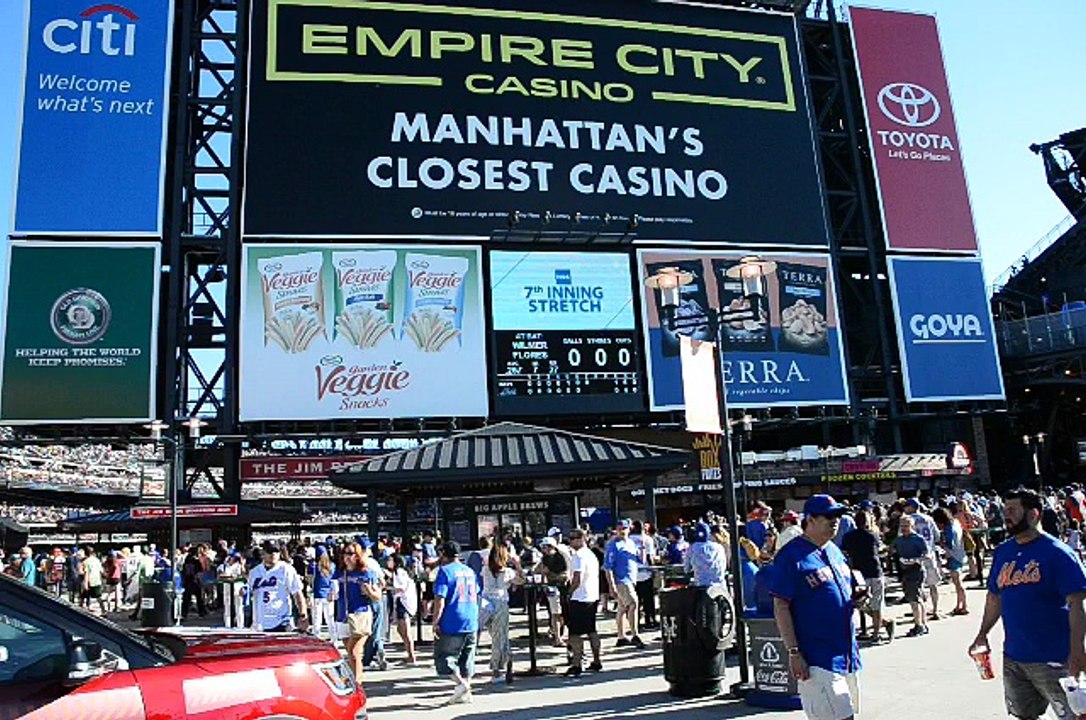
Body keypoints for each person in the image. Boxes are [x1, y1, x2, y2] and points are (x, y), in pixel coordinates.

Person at [971, 488, 1086, 720]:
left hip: (1054, 658)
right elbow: (994, 597)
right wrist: (982, 634)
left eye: (1013, 510)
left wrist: (1077, 651)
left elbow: (1077, 603)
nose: (1007, 515)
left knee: (1073, 715)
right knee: (1023, 715)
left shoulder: (1058, 553)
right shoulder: (1003, 552)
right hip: (1015, 656)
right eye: (1005, 510)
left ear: (1034, 514)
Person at [771, 495, 862, 720]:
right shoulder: (791, 556)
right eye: (828, 516)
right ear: (810, 520)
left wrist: (858, 599)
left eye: (838, 515)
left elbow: (845, 592)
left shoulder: (834, 551)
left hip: (846, 653)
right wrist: (793, 652)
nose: (835, 520)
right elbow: (781, 605)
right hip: (817, 656)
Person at [432, 541, 480, 705]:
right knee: (467, 658)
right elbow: (477, 592)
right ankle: (466, 691)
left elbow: (440, 599)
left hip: (453, 618)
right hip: (471, 617)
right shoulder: (469, 571)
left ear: (443, 554)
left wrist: (435, 621)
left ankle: (461, 684)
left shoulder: (444, 571)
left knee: (445, 657)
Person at [841, 510, 894, 644]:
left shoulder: (848, 537)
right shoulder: (872, 536)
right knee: (877, 604)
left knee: (859, 603)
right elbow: (880, 549)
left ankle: (881, 625)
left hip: (858, 574)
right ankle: (877, 633)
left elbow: (844, 552)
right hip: (875, 571)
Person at [333, 542, 380, 685]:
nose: (347, 556)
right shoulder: (339, 572)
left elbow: (377, 596)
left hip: (360, 614)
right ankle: (353, 680)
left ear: (358, 555)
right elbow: (332, 591)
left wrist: (369, 591)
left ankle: (357, 684)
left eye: (350, 553)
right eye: (345, 553)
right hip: (342, 615)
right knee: (350, 653)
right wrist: (330, 594)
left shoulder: (366, 573)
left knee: (354, 651)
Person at [248, 540, 309, 633]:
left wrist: (303, 615)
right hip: (260, 623)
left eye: (276, 551)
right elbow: (249, 590)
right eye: (269, 551)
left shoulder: (286, 569)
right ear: (263, 553)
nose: (273, 554)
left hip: (282, 622)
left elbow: (297, 593)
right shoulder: (255, 572)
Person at [566, 528, 602, 677]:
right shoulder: (591, 554)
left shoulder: (578, 555)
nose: (570, 541)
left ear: (581, 539)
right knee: (591, 630)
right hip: (592, 595)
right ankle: (596, 660)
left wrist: (569, 592)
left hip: (580, 597)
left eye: (573, 538)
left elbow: (577, 578)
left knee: (575, 633)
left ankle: (576, 664)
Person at [480, 540, 518, 684]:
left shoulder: (485, 570)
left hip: (485, 602)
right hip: (500, 602)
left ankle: (505, 661)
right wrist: (517, 564)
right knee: (500, 637)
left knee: (494, 635)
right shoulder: (508, 572)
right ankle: (499, 668)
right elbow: (521, 580)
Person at [604, 520, 644, 649]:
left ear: (629, 529)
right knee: (633, 604)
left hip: (631, 579)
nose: (622, 531)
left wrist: (643, 548)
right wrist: (611, 585)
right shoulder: (613, 545)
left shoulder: (631, 543)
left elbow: (639, 559)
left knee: (622, 608)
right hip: (621, 580)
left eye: (624, 528)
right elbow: (608, 567)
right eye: (620, 528)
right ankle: (635, 635)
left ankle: (621, 636)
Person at [903, 498, 942, 620]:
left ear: (912, 507)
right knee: (933, 585)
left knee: (918, 587)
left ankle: (920, 614)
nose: (905, 508)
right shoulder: (928, 518)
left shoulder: (907, 520)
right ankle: (935, 610)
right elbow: (937, 536)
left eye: (907, 506)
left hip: (915, 557)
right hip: (930, 554)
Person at [893, 516, 930, 638]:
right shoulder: (899, 539)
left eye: (906, 526)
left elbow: (927, 554)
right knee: (915, 598)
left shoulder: (918, 539)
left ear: (912, 526)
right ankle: (923, 623)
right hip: (905, 571)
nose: (904, 528)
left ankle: (919, 625)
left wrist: (916, 559)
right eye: (902, 526)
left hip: (916, 570)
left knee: (915, 599)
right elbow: (893, 549)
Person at [932, 507, 969, 616]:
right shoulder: (956, 523)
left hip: (953, 556)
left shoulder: (949, 529)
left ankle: (962, 606)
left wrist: (941, 543)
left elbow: (950, 545)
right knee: (958, 583)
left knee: (958, 583)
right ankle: (961, 605)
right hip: (961, 554)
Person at [535, 536, 572, 646]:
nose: (544, 550)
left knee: (564, 614)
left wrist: (550, 574)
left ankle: (559, 634)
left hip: (563, 588)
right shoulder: (545, 558)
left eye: (545, 547)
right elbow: (539, 571)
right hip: (552, 588)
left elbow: (566, 575)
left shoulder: (561, 557)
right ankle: (557, 637)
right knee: (555, 613)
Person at [389, 553, 418, 664]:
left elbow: (401, 588)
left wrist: (388, 587)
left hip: (403, 603)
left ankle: (411, 656)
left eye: (390, 560)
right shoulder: (403, 572)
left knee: (405, 631)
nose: (388, 562)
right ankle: (409, 653)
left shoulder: (399, 572)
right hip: (405, 602)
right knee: (400, 629)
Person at [685, 522, 728, 590]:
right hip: (721, 587)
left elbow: (686, 569)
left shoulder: (692, 548)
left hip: (701, 588)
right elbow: (724, 565)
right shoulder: (719, 547)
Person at [310, 545, 337, 642]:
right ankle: (334, 638)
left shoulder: (313, 566)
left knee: (317, 618)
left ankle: (316, 638)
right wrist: (333, 592)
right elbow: (334, 581)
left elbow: (310, 580)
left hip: (317, 594)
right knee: (330, 618)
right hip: (329, 594)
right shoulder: (332, 565)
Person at [218, 552, 247, 629]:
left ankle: (240, 625)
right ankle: (227, 625)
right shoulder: (223, 566)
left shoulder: (239, 566)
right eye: (234, 558)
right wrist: (231, 577)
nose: (235, 560)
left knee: (239, 607)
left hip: (238, 588)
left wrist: (242, 565)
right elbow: (220, 576)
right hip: (227, 588)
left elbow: (244, 576)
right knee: (227, 607)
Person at [181, 547, 207, 619]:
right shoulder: (196, 561)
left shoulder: (186, 560)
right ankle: (201, 613)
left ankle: (184, 613)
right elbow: (201, 570)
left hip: (188, 581)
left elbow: (184, 571)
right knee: (200, 598)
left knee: (186, 598)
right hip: (196, 580)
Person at [81, 546, 108, 615]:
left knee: (83, 597)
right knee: (98, 597)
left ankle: (79, 610)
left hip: (90, 581)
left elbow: (86, 573)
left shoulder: (86, 562)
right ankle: (103, 611)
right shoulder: (97, 560)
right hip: (97, 580)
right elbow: (102, 571)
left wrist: (85, 583)